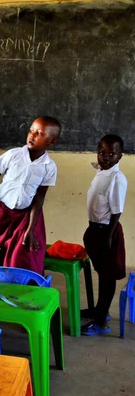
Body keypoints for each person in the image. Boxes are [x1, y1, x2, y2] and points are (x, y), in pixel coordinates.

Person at [0, 117, 60, 275]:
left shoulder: (49, 167)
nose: (32, 135)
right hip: (2, 214)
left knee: (20, 257)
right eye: (31, 131)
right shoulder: (13, 155)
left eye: (39, 133)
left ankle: (19, 289)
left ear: (51, 141)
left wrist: (31, 229)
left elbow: (39, 198)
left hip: (26, 217)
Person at [81, 135, 127, 336]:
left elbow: (116, 210)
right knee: (102, 273)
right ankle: (100, 310)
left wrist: (108, 237)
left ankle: (101, 323)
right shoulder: (101, 172)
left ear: (119, 156)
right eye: (102, 153)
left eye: (112, 154)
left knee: (108, 277)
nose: (106, 157)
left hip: (106, 231)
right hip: (95, 230)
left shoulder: (117, 178)